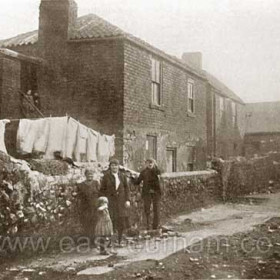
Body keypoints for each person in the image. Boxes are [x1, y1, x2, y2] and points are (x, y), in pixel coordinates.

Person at [99, 158, 130, 246]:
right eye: (112, 165)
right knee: (110, 221)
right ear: (110, 167)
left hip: (121, 202)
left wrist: (127, 200)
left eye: (116, 165)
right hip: (111, 202)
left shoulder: (122, 176)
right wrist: (104, 201)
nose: (114, 167)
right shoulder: (106, 177)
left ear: (118, 166)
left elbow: (127, 189)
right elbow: (102, 190)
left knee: (121, 221)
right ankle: (110, 241)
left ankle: (120, 240)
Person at [133, 158, 161, 230]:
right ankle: (148, 226)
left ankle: (155, 226)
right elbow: (138, 181)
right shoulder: (144, 172)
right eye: (148, 163)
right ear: (146, 164)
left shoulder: (157, 171)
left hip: (156, 193)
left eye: (151, 163)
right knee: (147, 210)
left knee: (156, 210)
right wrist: (132, 178)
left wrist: (157, 190)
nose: (150, 164)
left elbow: (161, 182)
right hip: (147, 193)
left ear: (154, 163)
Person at [76, 169, 99, 247]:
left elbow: (99, 194)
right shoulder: (81, 185)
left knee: (94, 224)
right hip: (85, 208)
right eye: (88, 174)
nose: (90, 176)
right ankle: (88, 241)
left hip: (94, 207)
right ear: (85, 175)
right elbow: (79, 197)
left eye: (91, 174)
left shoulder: (96, 183)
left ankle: (93, 242)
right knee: (87, 224)